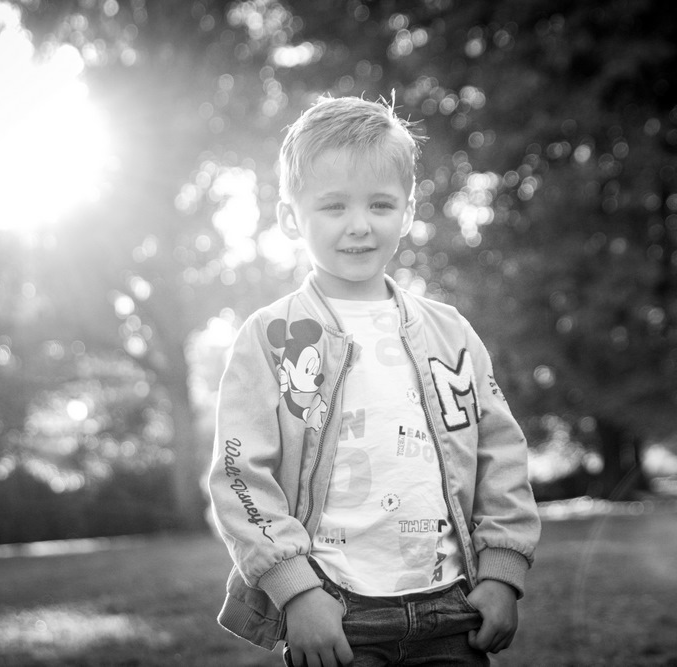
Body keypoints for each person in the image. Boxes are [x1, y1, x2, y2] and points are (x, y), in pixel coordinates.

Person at [208, 95, 540, 667]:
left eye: (380, 204)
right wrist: (298, 591)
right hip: (334, 611)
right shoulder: (269, 337)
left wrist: (503, 571)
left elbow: (500, 452)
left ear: (407, 211)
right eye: (333, 206)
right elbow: (241, 475)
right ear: (291, 217)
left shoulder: (451, 332)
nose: (359, 226)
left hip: (451, 609)